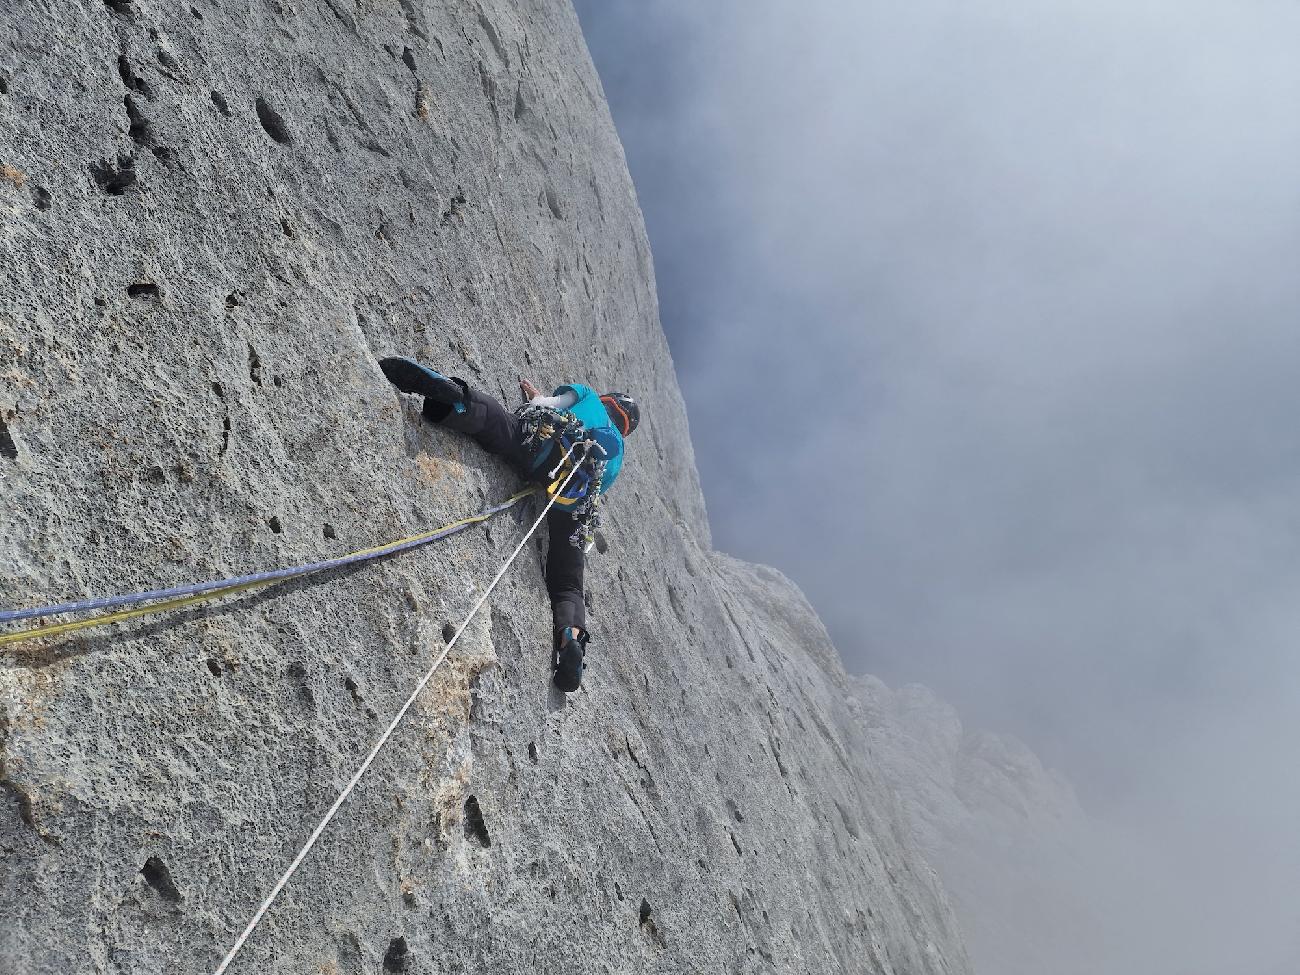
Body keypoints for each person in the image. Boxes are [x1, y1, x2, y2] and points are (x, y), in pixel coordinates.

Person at [378, 356, 640, 693]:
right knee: (568, 582)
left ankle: (457, 399)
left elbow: (547, 405)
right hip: (568, 496)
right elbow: (594, 491)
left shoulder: (588, 395)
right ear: (625, 430)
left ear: (609, 401)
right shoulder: (616, 459)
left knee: (499, 424)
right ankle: (569, 638)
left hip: (541, 446)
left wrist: (537, 398)